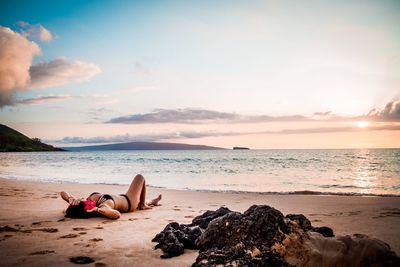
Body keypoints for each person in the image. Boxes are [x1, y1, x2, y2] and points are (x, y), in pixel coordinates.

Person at [60, 174, 162, 219]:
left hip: (123, 197)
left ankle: (153, 201)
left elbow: (63, 193)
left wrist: (70, 198)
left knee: (144, 201)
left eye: (79, 200)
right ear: (87, 205)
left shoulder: (88, 200)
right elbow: (117, 215)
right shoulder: (103, 206)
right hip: (129, 201)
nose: (81, 198)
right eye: (81, 200)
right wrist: (97, 209)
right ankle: (143, 205)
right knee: (140, 177)